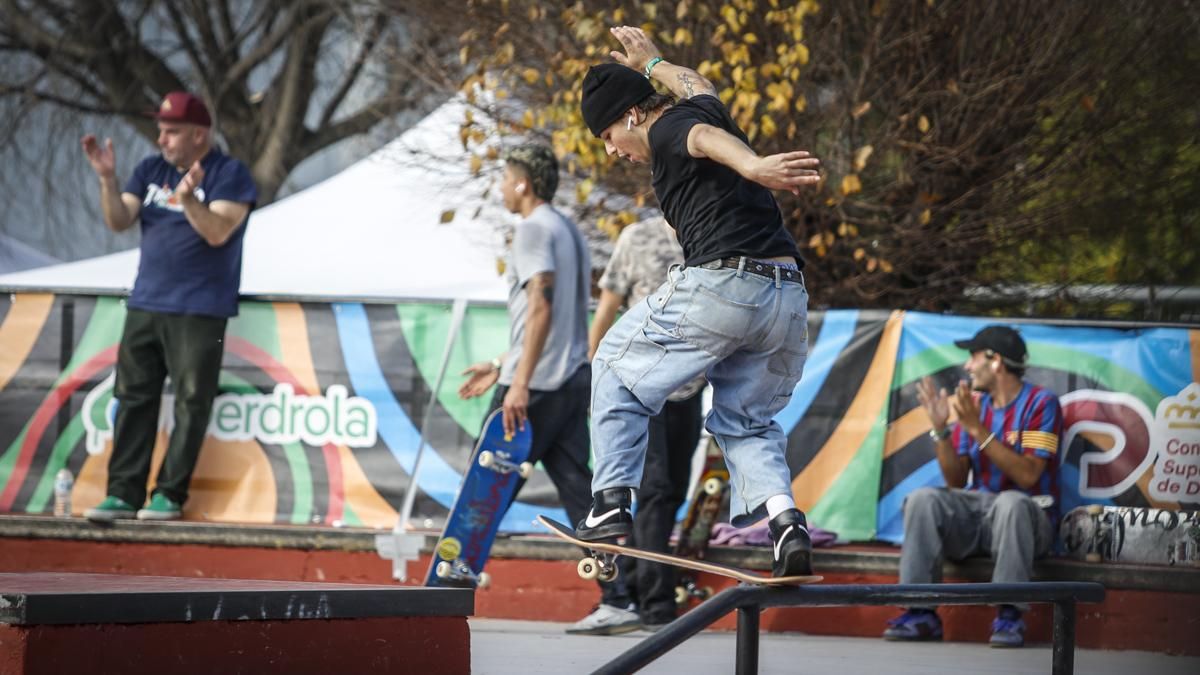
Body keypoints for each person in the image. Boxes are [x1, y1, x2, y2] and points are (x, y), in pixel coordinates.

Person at [574, 26, 822, 580]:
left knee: (613, 363)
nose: (613, 149)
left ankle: (611, 501)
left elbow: (705, 140)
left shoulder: (671, 129)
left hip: (724, 286)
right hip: (785, 297)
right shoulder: (696, 103)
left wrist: (754, 166)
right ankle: (786, 526)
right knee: (746, 422)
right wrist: (653, 61)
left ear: (634, 114)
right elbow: (698, 82)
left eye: (609, 133)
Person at [458, 144, 638, 635]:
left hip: (536, 388)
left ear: (523, 183)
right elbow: (552, 317)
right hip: (570, 378)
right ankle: (621, 598)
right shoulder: (567, 229)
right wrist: (501, 363)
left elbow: (541, 304)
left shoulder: (533, 228)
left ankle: (449, 588)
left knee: (484, 486)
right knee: (582, 497)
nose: (499, 187)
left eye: (504, 178)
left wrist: (518, 383)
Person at [80, 91, 257, 522]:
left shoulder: (230, 174)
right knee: (133, 397)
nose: (162, 139)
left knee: (192, 402)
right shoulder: (148, 169)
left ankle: (169, 496)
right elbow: (119, 220)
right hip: (146, 303)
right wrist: (107, 178)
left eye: (172, 131)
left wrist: (189, 199)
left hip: (201, 309)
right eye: (160, 130)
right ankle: (122, 492)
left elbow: (218, 233)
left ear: (199, 134)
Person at [883, 325, 1062, 648]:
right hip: (979, 515)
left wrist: (978, 430)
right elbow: (955, 481)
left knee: (1012, 502)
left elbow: (1029, 476)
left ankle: (1009, 615)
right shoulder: (974, 406)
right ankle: (920, 612)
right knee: (923, 499)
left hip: (1028, 518)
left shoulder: (1041, 403)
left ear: (995, 361)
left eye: (973, 357)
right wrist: (941, 432)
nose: (967, 366)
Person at [589, 216, 705, 631]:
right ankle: (656, 604)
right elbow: (606, 309)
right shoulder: (637, 237)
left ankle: (636, 583)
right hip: (640, 382)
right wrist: (597, 381)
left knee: (671, 490)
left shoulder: (709, 233)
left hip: (689, 386)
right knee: (653, 490)